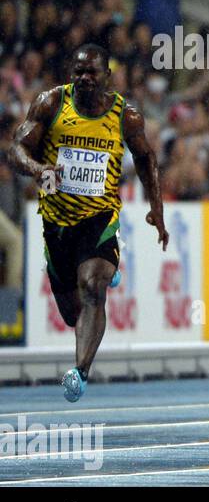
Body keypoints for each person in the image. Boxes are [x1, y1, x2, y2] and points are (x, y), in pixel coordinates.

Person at [8, 45, 169, 402]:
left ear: (107, 77)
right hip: (56, 222)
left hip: (99, 218)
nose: (84, 78)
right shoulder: (51, 104)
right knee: (71, 313)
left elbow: (145, 158)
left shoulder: (126, 116)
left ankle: (80, 371)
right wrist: (39, 169)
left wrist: (156, 208)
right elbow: (15, 150)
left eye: (91, 72)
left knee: (93, 286)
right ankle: (104, 274)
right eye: (78, 71)